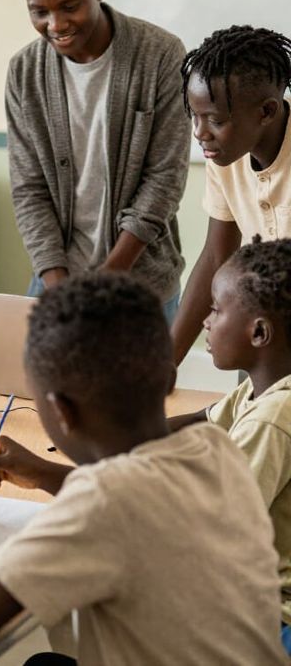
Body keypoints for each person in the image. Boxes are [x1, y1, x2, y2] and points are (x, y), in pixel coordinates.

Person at [0, 272, 283, 659]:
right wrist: (42, 472)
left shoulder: (101, 504)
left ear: (61, 413)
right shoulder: (214, 447)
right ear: (168, 380)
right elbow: (141, 511)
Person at [4, 0, 188, 312]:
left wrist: (107, 278)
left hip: (142, 285)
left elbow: (164, 179)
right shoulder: (24, 72)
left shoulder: (160, 55)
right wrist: (59, 288)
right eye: (39, 11)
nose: (56, 24)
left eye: (69, 6)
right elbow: (29, 188)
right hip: (55, 281)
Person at [169, 238, 291, 653]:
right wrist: (124, 434)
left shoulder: (273, 418)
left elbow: (213, 529)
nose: (205, 321)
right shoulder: (262, 389)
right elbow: (199, 423)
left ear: (258, 332)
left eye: (216, 310)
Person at [171, 25, 291, 364]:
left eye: (215, 120)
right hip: (264, 338)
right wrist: (165, 364)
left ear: (266, 112)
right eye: (194, 116)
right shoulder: (225, 155)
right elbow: (216, 256)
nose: (200, 133)